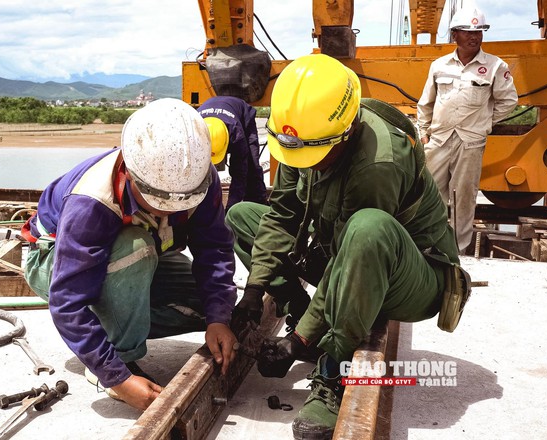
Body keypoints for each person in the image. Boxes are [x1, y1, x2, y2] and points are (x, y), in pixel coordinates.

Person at [225, 54, 461, 439]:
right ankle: (302, 316)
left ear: (347, 130)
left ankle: (332, 369)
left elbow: (350, 257)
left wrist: (299, 339)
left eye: (317, 155)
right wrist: (254, 291)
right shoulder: (303, 133)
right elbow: (282, 215)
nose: (309, 164)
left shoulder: (378, 164)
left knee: (367, 229)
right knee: (242, 218)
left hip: (412, 277)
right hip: (348, 253)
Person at [21, 98, 238, 411]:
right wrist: (117, 377)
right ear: (131, 175)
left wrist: (219, 318)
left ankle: (112, 321)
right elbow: (67, 301)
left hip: (137, 259)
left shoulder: (196, 180)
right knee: (136, 248)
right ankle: (119, 355)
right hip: (53, 262)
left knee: (210, 306)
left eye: (181, 203)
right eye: (160, 203)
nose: (172, 210)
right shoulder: (91, 201)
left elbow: (214, 248)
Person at [417, 7, 518, 253]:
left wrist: (485, 122)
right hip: (439, 139)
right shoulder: (439, 66)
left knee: (464, 197)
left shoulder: (495, 66)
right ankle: (431, 246)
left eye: (479, 31)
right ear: (455, 35)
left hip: (470, 143)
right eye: (467, 31)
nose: (474, 36)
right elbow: (426, 101)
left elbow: (509, 101)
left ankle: (458, 250)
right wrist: (423, 130)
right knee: (431, 193)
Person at [198, 96, 269, 211]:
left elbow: (239, 174)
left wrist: (230, 208)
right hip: (218, 113)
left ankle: (257, 205)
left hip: (242, 117)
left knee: (252, 166)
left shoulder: (236, 133)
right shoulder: (194, 128)